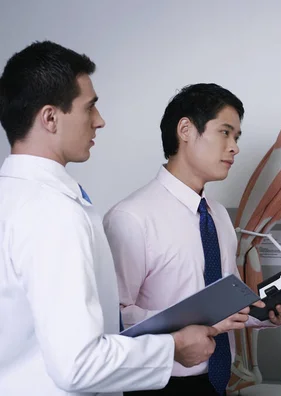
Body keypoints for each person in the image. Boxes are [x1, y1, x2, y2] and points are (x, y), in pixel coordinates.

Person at [0, 41, 227, 396]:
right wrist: (173, 349)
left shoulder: (14, 197)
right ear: (50, 117)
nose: (100, 120)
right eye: (89, 107)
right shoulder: (53, 212)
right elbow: (78, 365)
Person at [103, 83, 281, 396]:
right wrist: (184, 329)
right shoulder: (131, 218)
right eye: (225, 132)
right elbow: (115, 317)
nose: (235, 147)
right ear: (185, 130)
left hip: (218, 382)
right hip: (160, 384)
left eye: (236, 137)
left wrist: (267, 313)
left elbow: (230, 304)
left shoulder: (219, 216)